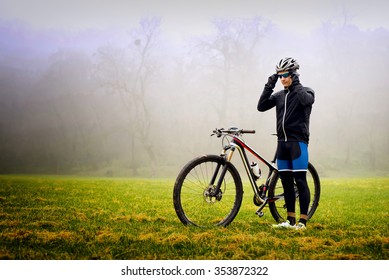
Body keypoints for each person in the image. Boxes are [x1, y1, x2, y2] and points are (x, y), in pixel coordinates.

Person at [257, 57, 315, 230]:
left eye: (286, 74)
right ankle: (290, 221)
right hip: (282, 144)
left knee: (300, 181)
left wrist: (295, 82)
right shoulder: (280, 95)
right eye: (279, 75)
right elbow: (261, 106)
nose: (282, 78)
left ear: (294, 74)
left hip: (298, 144)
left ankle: (302, 222)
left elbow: (305, 101)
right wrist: (270, 84)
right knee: (287, 183)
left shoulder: (306, 92)